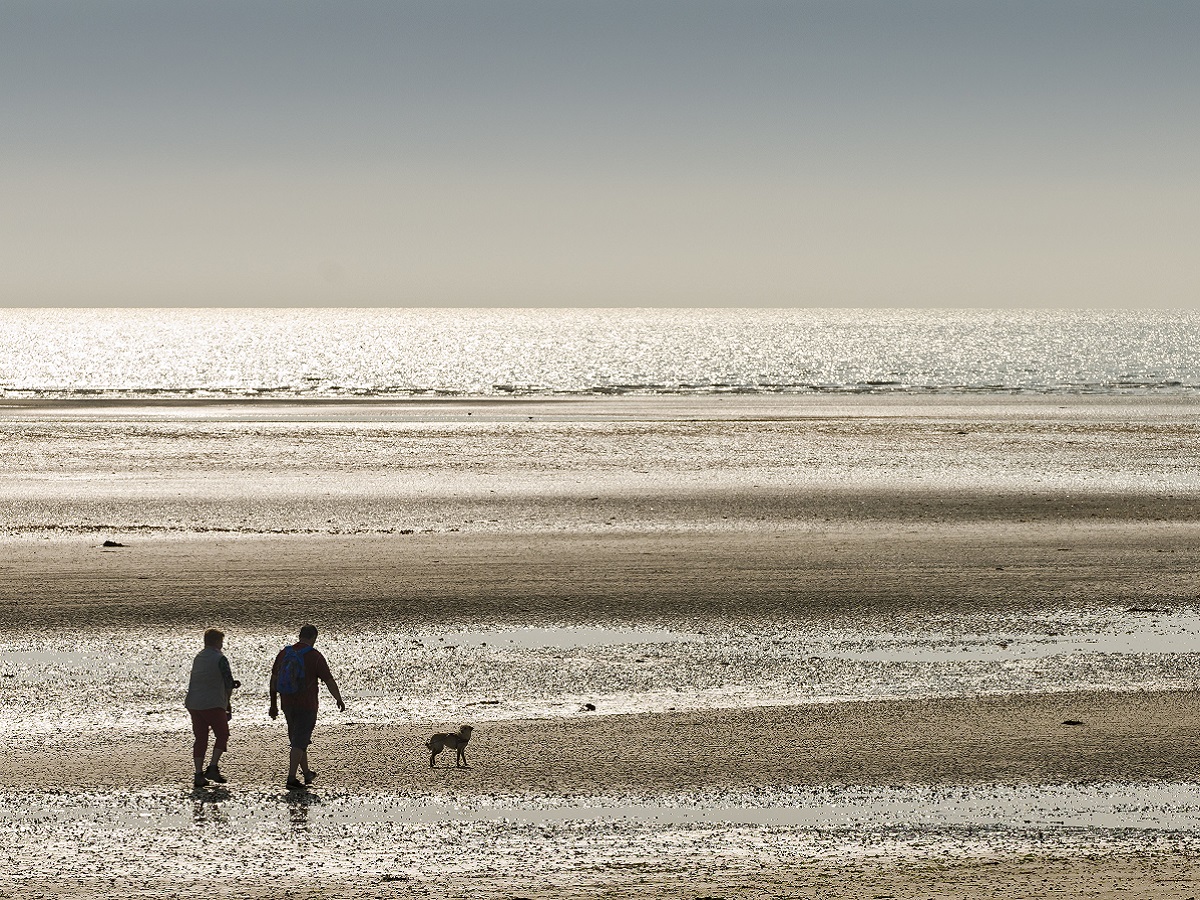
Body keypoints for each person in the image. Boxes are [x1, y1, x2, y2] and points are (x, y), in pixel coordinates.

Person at [269, 624, 346, 790]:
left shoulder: (284, 653)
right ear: (314, 638)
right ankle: (291, 778)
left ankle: (306, 774)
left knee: (298, 739)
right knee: (299, 741)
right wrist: (338, 699)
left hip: (287, 703)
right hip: (307, 705)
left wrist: (273, 705)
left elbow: (274, 680)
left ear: (300, 636)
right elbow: (329, 681)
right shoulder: (315, 656)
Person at [185, 628, 238, 788]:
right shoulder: (220, 658)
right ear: (217, 642)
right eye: (221, 642)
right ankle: (213, 767)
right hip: (212, 703)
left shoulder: (199, 657)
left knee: (201, 739)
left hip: (194, 703)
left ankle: (198, 774)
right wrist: (227, 703)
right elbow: (228, 682)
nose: (222, 645)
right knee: (222, 734)